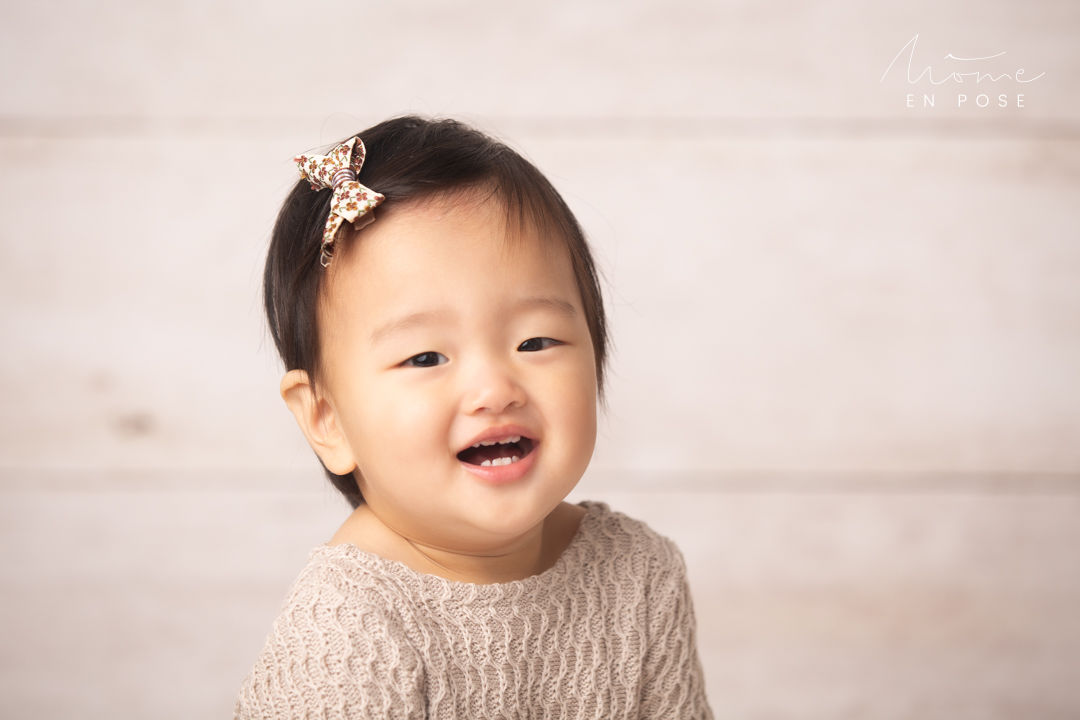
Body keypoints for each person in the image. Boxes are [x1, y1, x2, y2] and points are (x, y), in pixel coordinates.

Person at [234, 116, 713, 719]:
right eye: (426, 357)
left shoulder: (640, 575)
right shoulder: (352, 634)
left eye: (536, 342)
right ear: (327, 419)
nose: (494, 389)